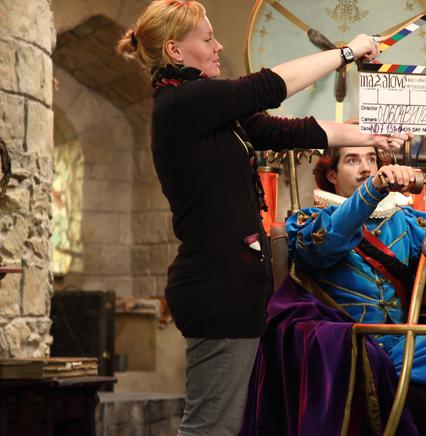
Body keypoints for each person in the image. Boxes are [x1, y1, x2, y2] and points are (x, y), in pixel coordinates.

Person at [116, 1, 407, 435]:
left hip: (232, 289)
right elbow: (268, 87)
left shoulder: (208, 114)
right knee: (210, 428)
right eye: (207, 39)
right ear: (175, 51)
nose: (218, 47)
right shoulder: (184, 101)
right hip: (217, 289)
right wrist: (345, 53)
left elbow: (283, 130)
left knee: (224, 426)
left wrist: (368, 134)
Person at [282, 146, 426, 436]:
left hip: (399, 342)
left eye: (371, 159)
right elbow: (326, 244)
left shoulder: (402, 219)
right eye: (352, 160)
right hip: (347, 345)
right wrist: (373, 189)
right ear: (332, 175)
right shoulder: (310, 220)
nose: (366, 168)